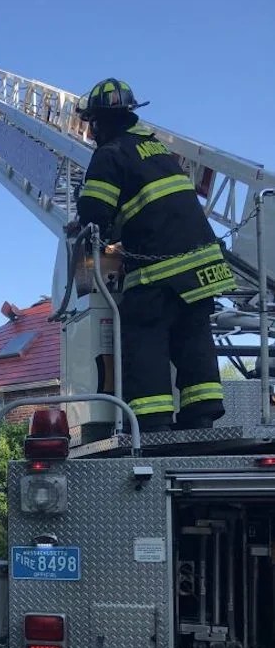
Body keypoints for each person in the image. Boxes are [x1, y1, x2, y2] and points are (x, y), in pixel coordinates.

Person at [70, 78, 229, 431]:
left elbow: (95, 211)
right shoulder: (158, 151)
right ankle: (201, 415)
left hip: (159, 265)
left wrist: (91, 228)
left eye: (92, 123)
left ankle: (152, 419)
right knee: (193, 334)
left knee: (144, 335)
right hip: (202, 261)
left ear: (98, 121)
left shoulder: (110, 154)